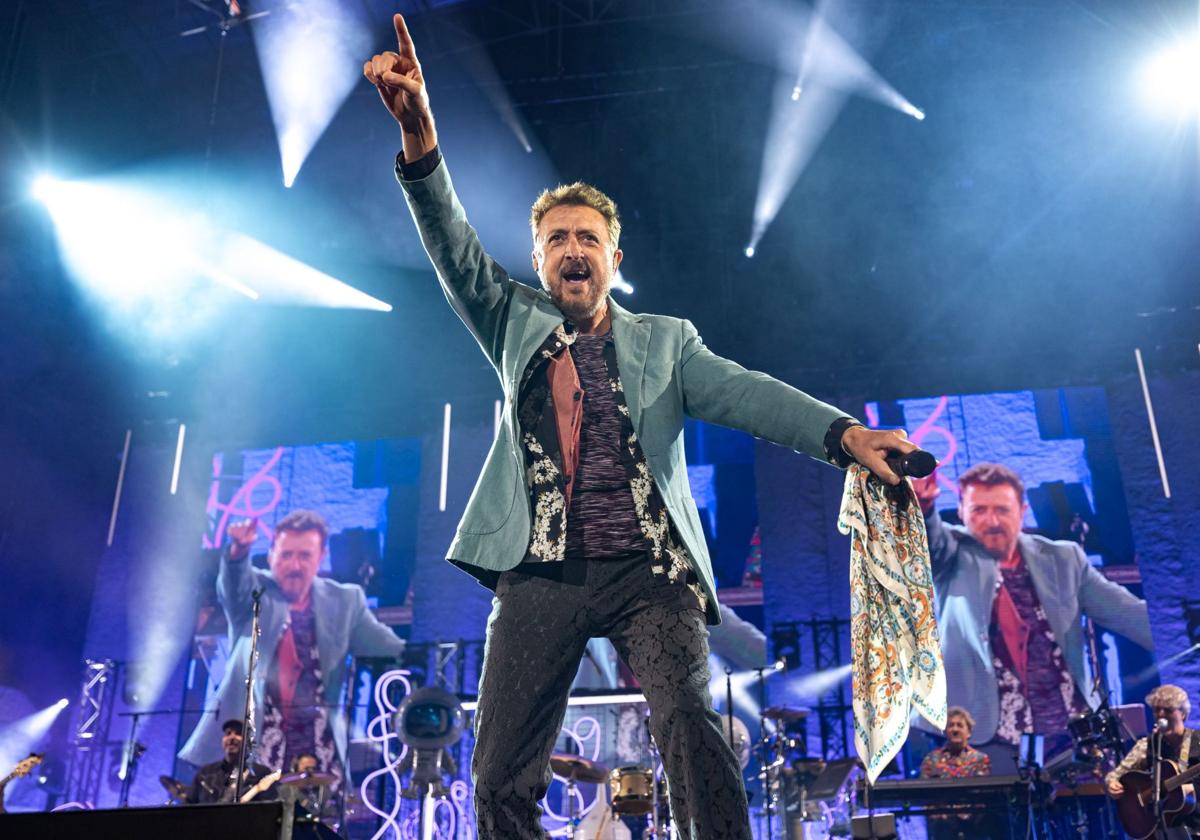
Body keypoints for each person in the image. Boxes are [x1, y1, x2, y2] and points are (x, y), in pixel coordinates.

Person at [363, 15, 917, 839]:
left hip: (649, 571)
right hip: (540, 571)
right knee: (500, 768)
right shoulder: (509, 319)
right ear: (541, 260)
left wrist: (845, 437)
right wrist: (419, 132)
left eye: (589, 237)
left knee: (693, 725)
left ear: (614, 260)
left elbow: (747, 394)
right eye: (558, 240)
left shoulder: (667, 341)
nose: (573, 249)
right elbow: (451, 243)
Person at [912, 463, 1152, 752]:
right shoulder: (952, 553)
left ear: (1022, 512)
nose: (992, 521)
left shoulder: (1064, 558)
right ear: (961, 512)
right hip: (986, 735)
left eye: (1002, 510)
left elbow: (1129, 614)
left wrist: (1183, 629)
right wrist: (923, 507)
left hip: (1070, 732)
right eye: (979, 510)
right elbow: (928, 542)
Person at [179, 510, 406, 794]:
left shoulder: (345, 599)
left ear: (321, 556)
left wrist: (424, 653)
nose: (294, 565)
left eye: (304, 555)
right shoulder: (257, 592)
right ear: (271, 555)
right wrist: (239, 551)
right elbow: (234, 586)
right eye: (285, 555)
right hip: (255, 740)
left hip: (317, 742)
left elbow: (387, 647)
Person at [1105, 685, 1200, 839]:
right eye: (1157, 710)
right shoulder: (1147, 745)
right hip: (1160, 830)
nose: (1161, 715)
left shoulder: (1198, 741)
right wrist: (1112, 783)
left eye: (1168, 710)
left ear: (1183, 714)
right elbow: (1115, 776)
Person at [186, 719, 278, 804]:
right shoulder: (205, 773)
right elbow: (189, 804)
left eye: (238, 733)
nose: (232, 737)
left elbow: (267, 810)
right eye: (228, 733)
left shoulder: (260, 773)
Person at [919, 707, 991, 779]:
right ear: (945, 731)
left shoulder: (980, 760)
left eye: (959, 725)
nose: (955, 729)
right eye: (951, 725)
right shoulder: (931, 760)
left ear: (969, 732)